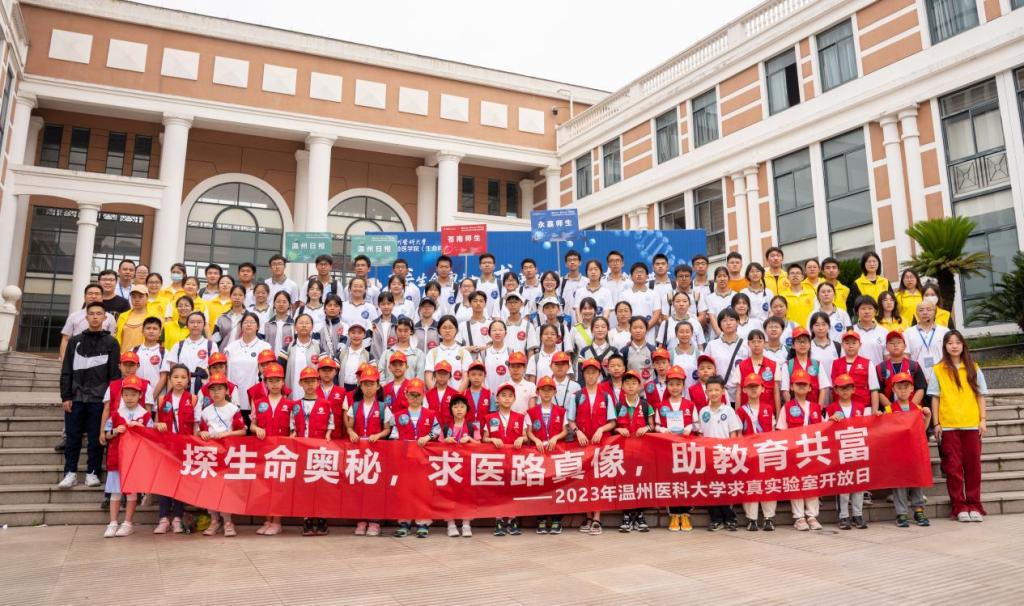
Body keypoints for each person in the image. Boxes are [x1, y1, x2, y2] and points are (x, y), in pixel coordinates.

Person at [58, 302, 121, 490]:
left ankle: (92, 472)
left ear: (105, 318)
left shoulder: (111, 343)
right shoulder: (75, 341)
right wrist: (66, 396)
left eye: (98, 314)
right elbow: (66, 370)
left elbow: (114, 375)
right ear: (86, 317)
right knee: (73, 436)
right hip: (76, 397)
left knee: (95, 437)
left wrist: (110, 400)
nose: (95, 317)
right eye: (91, 313)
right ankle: (70, 473)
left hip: (100, 399)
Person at [929, 330, 988, 522]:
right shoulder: (938, 369)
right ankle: (959, 506)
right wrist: (936, 423)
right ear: (945, 347)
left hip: (971, 424)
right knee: (953, 468)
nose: (954, 346)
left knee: (973, 467)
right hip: (948, 425)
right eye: (950, 343)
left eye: (957, 342)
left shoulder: (973, 367)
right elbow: (935, 398)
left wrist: (983, 419)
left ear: (963, 345)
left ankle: (974, 505)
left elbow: (980, 395)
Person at [344, 366, 393, 537]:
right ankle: (361, 520)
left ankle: (374, 521)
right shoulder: (355, 406)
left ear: (378, 386)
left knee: (375, 487)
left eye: (371, 384)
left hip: (376, 453)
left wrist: (378, 435)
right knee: (359, 487)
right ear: (360, 386)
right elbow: (349, 426)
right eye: (365, 384)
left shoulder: (383, 407)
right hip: (358, 452)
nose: (368, 387)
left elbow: (387, 429)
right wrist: (351, 433)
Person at [569, 358, 616, 535]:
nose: (590, 376)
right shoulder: (577, 396)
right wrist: (578, 432)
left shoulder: (606, 396)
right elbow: (571, 420)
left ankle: (597, 517)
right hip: (581, 444)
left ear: (598, 375)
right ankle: (588, 516)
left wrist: (601, 429)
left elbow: (613, 422)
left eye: (594, 372)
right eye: (587, 373)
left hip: (600, 444)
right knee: (583, 479)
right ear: (583, 375)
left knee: (598, 480)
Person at [100, 375, 150, 538]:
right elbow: (107, 434)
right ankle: (113, 522)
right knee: (115, 491)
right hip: (117, 457)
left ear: (140, 395)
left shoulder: (145, 415)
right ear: (121, 395)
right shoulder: (116, 414)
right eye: (126, 394)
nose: (129, 398)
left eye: (133, 394)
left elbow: (151, 436)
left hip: (135, 459)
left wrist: (141, 428)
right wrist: (115, 431)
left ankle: (128, 523)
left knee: (131, 492)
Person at [197, 372, 246, 536]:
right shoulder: (205, 412)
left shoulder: (233, 409)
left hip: (228, 454)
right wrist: (201, 433)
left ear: (227, 390)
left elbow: (242, 431)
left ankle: (228, 521)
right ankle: (214, 520)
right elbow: (200, 431)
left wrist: (226, 434)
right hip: (210, 455)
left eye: (219, 388)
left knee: (226, 488)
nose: (216, 392)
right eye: (212, 389)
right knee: (210, 488)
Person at [777, 369, 824, 531]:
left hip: (812, 451)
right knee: (796, 483)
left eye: (805, 384)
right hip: (794, 451)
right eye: (798, 384)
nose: (802, 387)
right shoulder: (787, 407)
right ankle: (799, 517)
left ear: (810, 387)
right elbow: (781, 430)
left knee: (811, 482)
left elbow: (823, 429)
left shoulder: (816, 408)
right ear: (792, 387)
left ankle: (812, 516)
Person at [248, 361, 291, 536]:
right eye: (270, 381)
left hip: (282, 453)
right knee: (264, 487)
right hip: (264, 450)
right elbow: (251, 424)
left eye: (277, 380)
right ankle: (267, 520)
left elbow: (294, 428)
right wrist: (256, 429)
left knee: (279, 488)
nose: (274, 384)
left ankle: (277, 521)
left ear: (283, 382)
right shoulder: (258, 403)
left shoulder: (290, 404)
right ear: (265, 382)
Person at [153, 364, 196, 534]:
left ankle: (177, 518)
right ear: (169, 379)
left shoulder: (193, 399)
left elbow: (196, 426)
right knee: (164, 483)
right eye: (176, 377)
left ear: (188, 379)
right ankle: (163, 519)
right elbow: (155, 423)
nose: (179, 380)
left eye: (183, 377)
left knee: (179, 484)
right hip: (166, 448)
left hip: (184, 449)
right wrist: (158, 424)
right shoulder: (162, 399)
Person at [885, 372, 932, 528]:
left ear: (912, 389)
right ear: (894, 390)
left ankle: (919, 510)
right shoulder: (889, 410)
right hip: (897, 453)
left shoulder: (917, 408)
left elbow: (922, 431)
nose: (903, 390)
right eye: (899, 387)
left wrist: (928, 417)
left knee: (916, 480)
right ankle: (901, 513)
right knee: (899, 482)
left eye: (906, 387)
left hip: (914, 452)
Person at [655, 365, 698, 533]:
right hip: (668, 449)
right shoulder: (661, 405)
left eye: (678, 384)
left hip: (686, 449)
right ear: (667, 385)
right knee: (671, 480)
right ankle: (673, 514)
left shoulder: (689, 404)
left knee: (686, 479)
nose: (674, 387)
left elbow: (696, 423)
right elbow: (656, 425)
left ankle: (685, 514)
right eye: (671, 384)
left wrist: (689, 428)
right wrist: (663, 430)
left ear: (683, 385)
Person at [293, 366, 335, 536]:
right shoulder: (296, 405)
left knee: (321, 485)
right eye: (306, 381)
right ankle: (307, 519)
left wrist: (328, 435)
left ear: (318, 383)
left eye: (312, 381)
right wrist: (293, 434)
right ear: (300, 383)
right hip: (302, 450)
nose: (310, 385)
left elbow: (331, 424)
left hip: (320, 451)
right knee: (305, 486)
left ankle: (322, 518)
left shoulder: (325, 404)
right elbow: (292, 425)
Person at [696, 375, 741, 531]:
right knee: (711, 488)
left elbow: (733, 433)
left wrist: (731, 453)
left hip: (725, 455)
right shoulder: (703, 411)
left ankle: (730, 518)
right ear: (706, 392)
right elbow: (701, 434)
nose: (713, 393)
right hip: (708, 456)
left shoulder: (728, 411)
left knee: (725, 488)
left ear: (723, 392)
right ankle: (716, 519)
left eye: (717, 390)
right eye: (710, 390)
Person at [827, 374, 872, 530]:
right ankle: (843, 516)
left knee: (858, 484)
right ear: (836, 390)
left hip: (858, 450)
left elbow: (868, 426)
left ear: (853, 389)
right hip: (840, 451)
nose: (845, 391)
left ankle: (857, 515)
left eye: (848, 388)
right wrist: (830, 421)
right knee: (843, 485)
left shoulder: (861, 407)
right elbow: (824, 429)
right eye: (841, 388)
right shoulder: (831, 408)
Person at [527, 376, 569, 535]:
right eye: (543, 390)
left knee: (557, 485)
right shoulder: (531, 412)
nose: (546, 393)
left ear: (554, 392)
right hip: (538, 454)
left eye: (549, 390)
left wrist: (556, 437)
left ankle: (557, 520)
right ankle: (541, 519)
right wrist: (536, 439)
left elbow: (565, 430)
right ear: (538, 392)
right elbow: (528, 431)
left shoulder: (561, 411)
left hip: (556, 453)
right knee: (540, 486)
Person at [485, 382, 527, 537]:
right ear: (497, 398)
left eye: (510, 396)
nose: (507, 398)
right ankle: (499, 520)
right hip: (496, 460)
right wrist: (492, 440)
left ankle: (512, 520)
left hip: (514, 460)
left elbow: (525, 436)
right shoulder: (490, 418)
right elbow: (484, 438)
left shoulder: (520, 418)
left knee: (513, 490)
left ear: (514, 399)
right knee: (498, 491)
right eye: (503, 395)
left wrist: (522, 438)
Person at [736, 373, 776, 531]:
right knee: (751, 485)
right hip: (749, 454)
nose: (753, 390)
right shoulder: (741, 411)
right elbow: (739, 433)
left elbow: (773, 431)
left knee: (768, 484)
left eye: (756, 386)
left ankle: (768, 517)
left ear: (762, 389)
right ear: (744, 390)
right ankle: (751, 518)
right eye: (750, 387)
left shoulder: (768, 409)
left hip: (766, 452)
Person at [615, 369, 654, 533]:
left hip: (641, 452)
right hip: (623, 453)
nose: (630, 386)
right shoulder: (618, 406)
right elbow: (612, 425)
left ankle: (639, 515)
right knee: (625, 482)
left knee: (641, 482)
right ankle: (626, 515)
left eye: (634, 383)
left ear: (639, 386)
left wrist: (646, 428)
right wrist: (618, 429)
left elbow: (652, 425)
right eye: (627, 383)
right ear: (622, 387)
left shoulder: (645, 405)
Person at [222, 312, 272, 420]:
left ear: (258, 326)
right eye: (246, 322)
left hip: (255, 397)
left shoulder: (265, 347)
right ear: (241, 326)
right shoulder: (231, 347)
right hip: (233, 396)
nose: (249, 325)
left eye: (252, 322)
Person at [442, 392, 476, 538]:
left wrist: (470, 440)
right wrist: (445, 441)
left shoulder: (472, 427)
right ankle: (451, 524)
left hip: (467, 468)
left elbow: (481, 445)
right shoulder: (446, 428)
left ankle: (466, 524)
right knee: (449, 496)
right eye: (455, 406)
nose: (459, 409)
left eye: (462, 406)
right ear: (451, 410)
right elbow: (437, 447)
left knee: (466, 496)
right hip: (449, 468)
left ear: (467, 409)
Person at [703, 309, 750, 405]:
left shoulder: (746, 345)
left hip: (741, 393)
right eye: (724, 320)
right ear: (719, 325)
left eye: (731, 320)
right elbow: (705, 368)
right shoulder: (712, 345)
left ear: (737, 322)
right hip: (718, 394)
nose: (728, 323)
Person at [164, 311, 217, 394]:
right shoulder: (178, 345)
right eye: (192, 322)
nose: (195, 325)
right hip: (181, 388)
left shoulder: (211, 345)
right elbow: (172, 373)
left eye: (199, 322)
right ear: (187, 325)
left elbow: (215, 371)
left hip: (205, 388)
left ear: (204, 325)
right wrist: (169, 396)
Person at [60, 284, 117, 361]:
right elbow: (65, 339)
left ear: (102, 297)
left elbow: (112, 340)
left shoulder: (110, 318)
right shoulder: (74, 316)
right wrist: (64, 360)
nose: (93, 296)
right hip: (77, 357)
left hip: (101, 359)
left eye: (97, 294)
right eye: (90, 293)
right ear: (84, 297)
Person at [877, 331, 928, 412]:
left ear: (905, 346)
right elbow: (879, 392)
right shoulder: (880, 368)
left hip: (912, 411)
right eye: (891, 343)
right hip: (890, 412)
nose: (895, 345)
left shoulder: (914, 366)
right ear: (886, 347)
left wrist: (910, 408)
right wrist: (892, 409)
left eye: (899, 342)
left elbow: (921, 388)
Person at [831, 332, 880, 413]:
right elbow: (833, 389)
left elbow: (874, 389)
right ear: (842, 345)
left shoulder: (867, 363)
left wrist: (874, 411)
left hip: (864, 409)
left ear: (860, 345)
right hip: (841, 410)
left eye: (854, 343)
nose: (851, 346)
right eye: (847, 343)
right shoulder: (836, 363)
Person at [737, 330, 780, 414]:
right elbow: (738, 392)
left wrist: (778, 415)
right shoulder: (741, 366)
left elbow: (776, 392)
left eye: (759, 341)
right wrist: (737, 415)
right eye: (753, 342)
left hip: (768, 413)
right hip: (747, 413)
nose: (756, 344)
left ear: (765, 343)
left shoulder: (774, 365)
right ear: (748, 344)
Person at [380, 318, 426, 382]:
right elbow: (380, 372)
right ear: (396, 331)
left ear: (411, 331)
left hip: (410, 388)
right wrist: (385, 386)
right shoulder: (387, 353)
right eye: (400, 330)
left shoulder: (418, 354)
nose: (402, 334)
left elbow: (420, 377)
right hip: (389, 388)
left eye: (406, 331)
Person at [847, 251, 892, 317]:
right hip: (867, 319)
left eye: (874, 261)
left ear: (878, 263)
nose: (872, 264)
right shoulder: (857, 283)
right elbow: (856, 305)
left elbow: (892, 300)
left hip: (885, 318)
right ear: (864, 264)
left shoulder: (885, 281)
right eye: (869, 261)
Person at [135, 316, 168, 398]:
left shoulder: (164, 352)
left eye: (155, 329)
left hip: (157, 398)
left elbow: (164, 378)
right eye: (148, 328)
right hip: (135, 397)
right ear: (142, 331)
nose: (151, 331)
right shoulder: (134, 350)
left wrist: (152, 398)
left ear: (160, 333)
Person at [850, 296, 888, 366]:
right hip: (856, 371)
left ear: (875, 311)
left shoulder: (884, 332)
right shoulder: (850, 331)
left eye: (870, 308)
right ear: (857, 311)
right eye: (863, 308)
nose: (867, 312)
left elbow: (887, 357)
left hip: (877, 371)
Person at [115, 285, 150, 350]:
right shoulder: (122, 316)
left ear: (147, 297)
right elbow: (117, 337)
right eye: (133, 297)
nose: (137, 300)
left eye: (140, 296)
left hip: (144, 354)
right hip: (124, 354)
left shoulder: (153, 316)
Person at [337, 323, 370, 392]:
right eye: (353, 333)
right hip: (342, 389)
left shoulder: (368, 355)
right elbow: (334, 373)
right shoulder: (341, 353)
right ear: (348, 334)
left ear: (364, 335)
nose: (356, 336)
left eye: (359, 333)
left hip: (360, 391)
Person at [476, 252, 503, 319]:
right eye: (484, 263)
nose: (487, 265)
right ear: (480, 266)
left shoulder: (500, 284)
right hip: (478, 321)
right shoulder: (474, 283)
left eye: (489, 263)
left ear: (494, 266)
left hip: (496, 321)